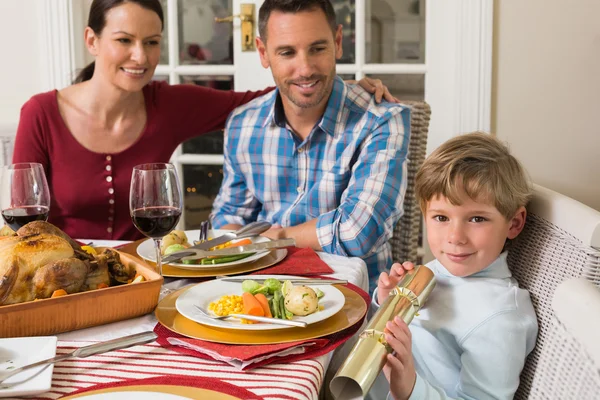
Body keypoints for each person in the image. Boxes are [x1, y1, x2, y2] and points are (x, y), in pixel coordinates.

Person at [12, 0, 393, 242]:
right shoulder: (41, 113)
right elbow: (24, 222)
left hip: (146, 275)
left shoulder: (169, 104)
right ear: (92, 40)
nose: (140, 57)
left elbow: (271, 95)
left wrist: (342, 86)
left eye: (151, 41)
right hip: (64, 278)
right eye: (124, 40)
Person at [210, 0, 410, 290]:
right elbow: (228, 218)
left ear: (338, 42)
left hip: (349, 301)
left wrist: (276, 238)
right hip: (257, 297)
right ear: (264, 53)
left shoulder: (382, 119)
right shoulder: (242, 123)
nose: (305, 69)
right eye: (287, 52)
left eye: (317, 49)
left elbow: (359, 232)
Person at [375, 132, 538, 399]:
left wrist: (410, 389)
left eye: (476, 219)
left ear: (514, 223)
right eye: (441, 217)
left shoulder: (499, 318)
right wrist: (390, 305)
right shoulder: (441, 270)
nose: (455, 237)